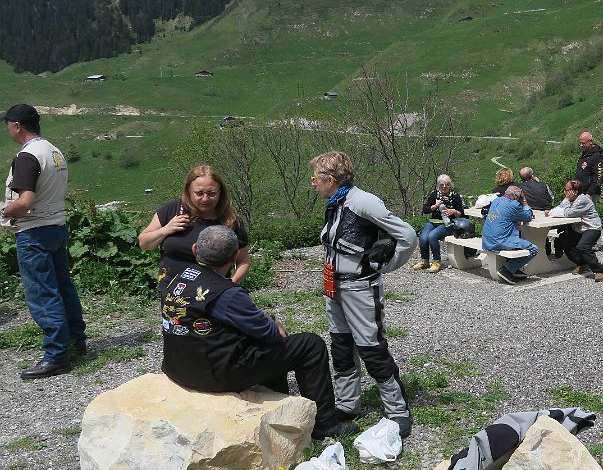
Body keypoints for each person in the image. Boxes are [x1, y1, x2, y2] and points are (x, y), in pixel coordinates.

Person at [160, 226, 353, 440]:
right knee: (309, 345)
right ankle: (325, 424)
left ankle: (279, 410)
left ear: (195, 249)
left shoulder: (178, 279)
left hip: (178, 368)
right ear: (235, 257)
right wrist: (273, 321)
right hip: (216, 375)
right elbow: (270, 334)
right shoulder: (226, 293)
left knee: (263, 347)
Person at [311, 151, 417, 438]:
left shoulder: (362, 201)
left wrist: (385, 265)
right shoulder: (336, 202)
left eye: (316, 179)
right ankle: (348, 404)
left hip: (359, 287)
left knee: (371, 348)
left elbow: (407, 235)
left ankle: (397, 411)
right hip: (334, 285)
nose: (313, 184)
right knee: (341, 346)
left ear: (330, 180)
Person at [3, 104, 88, 379]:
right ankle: (77, 340)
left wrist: (4, 211)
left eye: (7, 125)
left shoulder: (27, 156)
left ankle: (56, 354)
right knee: (63, 286)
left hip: (33, 231)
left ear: (17, 126)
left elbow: (25, 202)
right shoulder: (53, 151)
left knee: (42, 292)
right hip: (56, 225)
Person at [139, 165, 250, 294]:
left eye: (212, 193)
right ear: (188, 191)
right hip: (172, 293)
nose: (205, 199)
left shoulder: (231, 220)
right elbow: (144, 244)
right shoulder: (172, 210)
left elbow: (243, 261)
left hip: (211, 294)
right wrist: (166, 230)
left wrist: (230, 283)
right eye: (199, 193)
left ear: (221, 193)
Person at [548, 180, 603, 282]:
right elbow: (560, 208)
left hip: (592, 228)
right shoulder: (571, 200)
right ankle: (582, 263)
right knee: (563, 239)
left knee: (582, 247)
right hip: (579, 229)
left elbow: (569, 213)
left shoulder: (582, 200)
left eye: (567, 190)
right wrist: (562, 204)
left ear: (574, 191)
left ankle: (599, 270)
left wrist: (555, 211)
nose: (565, 192)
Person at [481, 184, 537, 285]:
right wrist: (523, 200)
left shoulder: (496, 200)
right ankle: (507, 270)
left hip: (487, 240)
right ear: (516, 195)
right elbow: (528, 216)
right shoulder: (514, 205)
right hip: (500, 241)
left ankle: (513, 269)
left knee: (518, 240)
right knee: (533, 249)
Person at [412, 174, 466, 273]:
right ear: (438, 185)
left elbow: (461, 214)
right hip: (434, 221)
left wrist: (453, 211)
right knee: (423, 237)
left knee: (432, 236)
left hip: (448, 223)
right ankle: (425, 260)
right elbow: (425, 209)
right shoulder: (435, 195)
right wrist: (435, 206)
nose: (444, 187)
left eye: (447, 184)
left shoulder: (455, 196)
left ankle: (437, 261)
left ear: (450, 185)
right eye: (442, 185)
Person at [575, 131, 603, 202]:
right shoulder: (584, 156)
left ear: (590, 142)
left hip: (590, 194)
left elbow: (599, 177)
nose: (581, 145)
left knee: (588, 213)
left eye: (583, 143)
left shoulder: (597, 157)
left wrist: (589, 193)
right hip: (581, 193)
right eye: (580, 143)